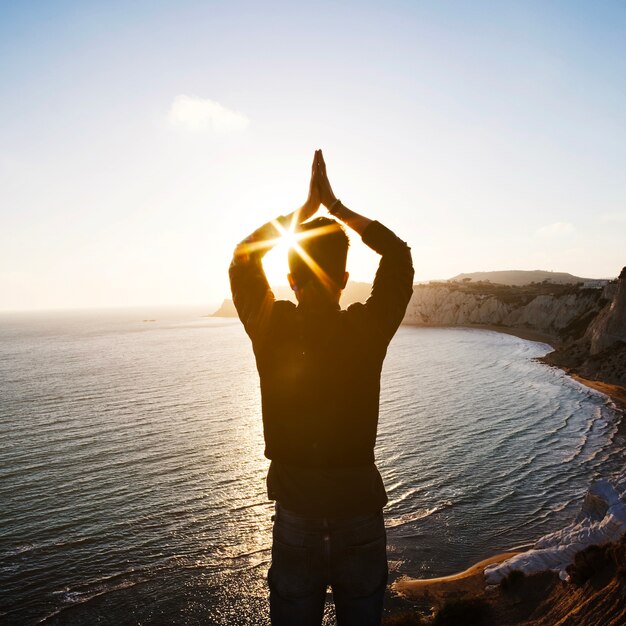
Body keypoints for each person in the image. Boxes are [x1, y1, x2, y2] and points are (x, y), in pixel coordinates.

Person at [229, 149, 414, 625]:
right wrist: (335, 208)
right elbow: (399, 257)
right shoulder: (365, 332)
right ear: (345, 279)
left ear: (290, 278)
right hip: (360, 516)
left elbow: (241, 261)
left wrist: (301, 213)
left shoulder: (271, 329)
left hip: (296, 519)